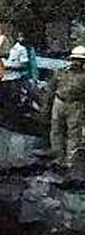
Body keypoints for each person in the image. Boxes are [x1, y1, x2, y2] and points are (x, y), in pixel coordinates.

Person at [49, 46, 85, 177]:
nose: (77, 62)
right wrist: (46, 106)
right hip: (59, 102)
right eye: (75, 59)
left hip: (76, 104)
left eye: (79, 60)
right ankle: (57, 159)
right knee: (56, 131)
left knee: (73, 134)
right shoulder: (62, 72)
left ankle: (70, 164)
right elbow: (51, 88)